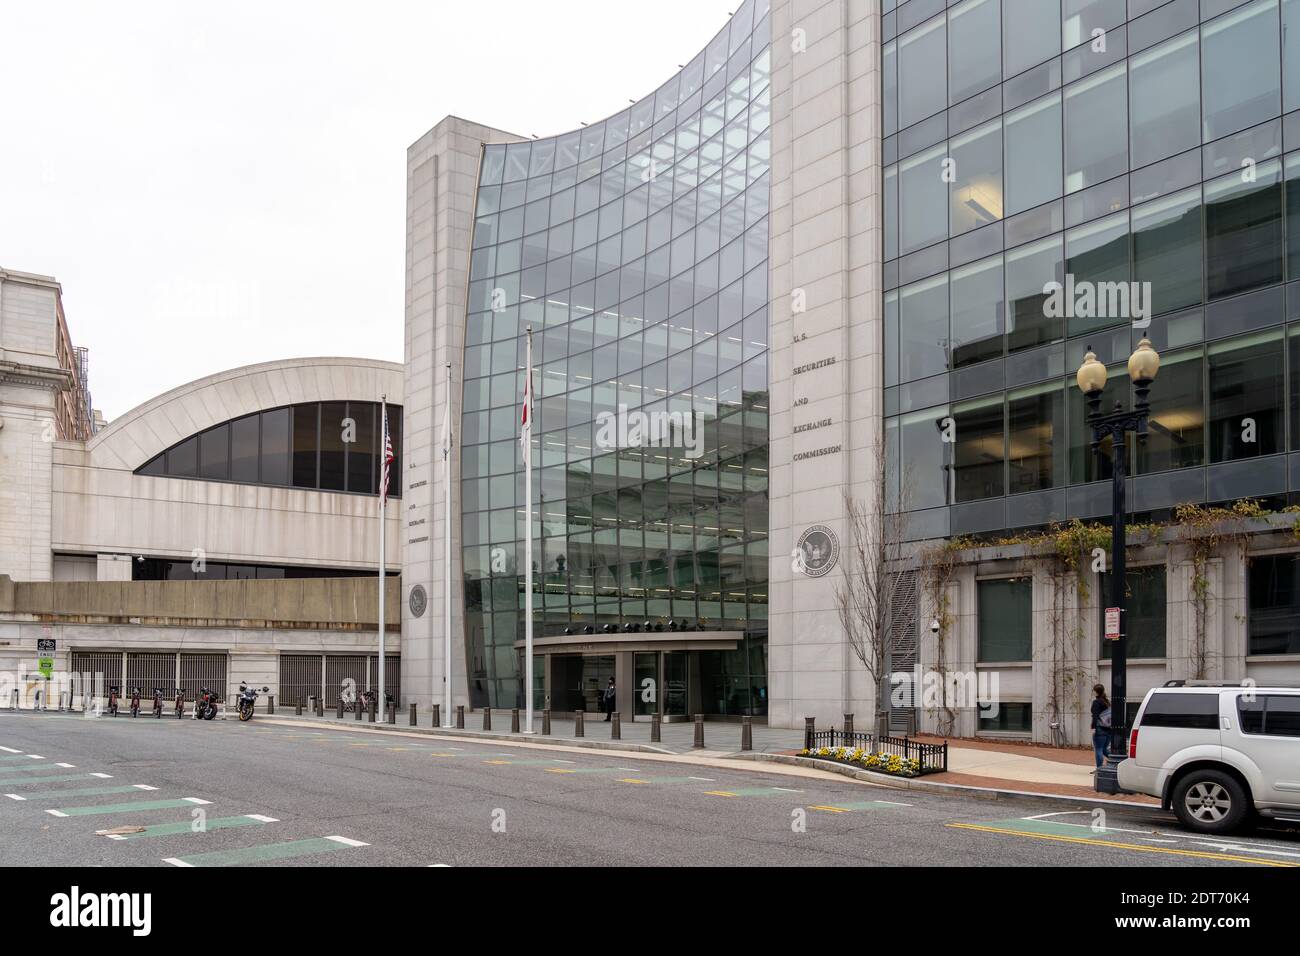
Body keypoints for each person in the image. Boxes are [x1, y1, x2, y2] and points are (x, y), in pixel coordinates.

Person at [1090, 683, 1112, 771]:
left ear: (1096, 692)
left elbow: (1095, 716)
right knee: (1104, 749)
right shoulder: (1107, 702)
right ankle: (1116, 761)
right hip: (1108, 729)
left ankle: (1099, 768)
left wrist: (1093, 727)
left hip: (1099, 728)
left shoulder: (1096, 702)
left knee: (1098, 749)